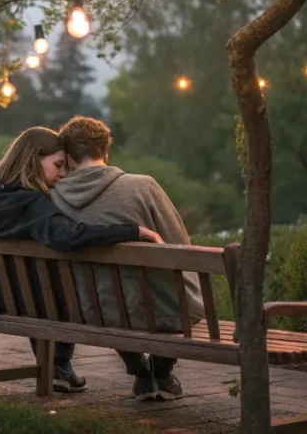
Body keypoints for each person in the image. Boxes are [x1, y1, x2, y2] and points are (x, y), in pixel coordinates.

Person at [0, 126, 164, 394]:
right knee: (87, 285)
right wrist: (132, 230)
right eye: (58, 165)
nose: (63, 174)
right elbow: (68, 236)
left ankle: (57, 367)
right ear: (34, 158)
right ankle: (125, 368)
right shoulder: (35, 204)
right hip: (38, 305)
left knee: (39, 283)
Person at [52, 116, 204, 402]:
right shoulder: (143, 186)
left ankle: (140, 371)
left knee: (109, 294)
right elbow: (180, 246)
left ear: (69, 158)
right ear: (105, 152)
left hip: (92, 311)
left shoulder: (52, 199)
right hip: (157, 311)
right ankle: (161, 371)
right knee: (165, 289)